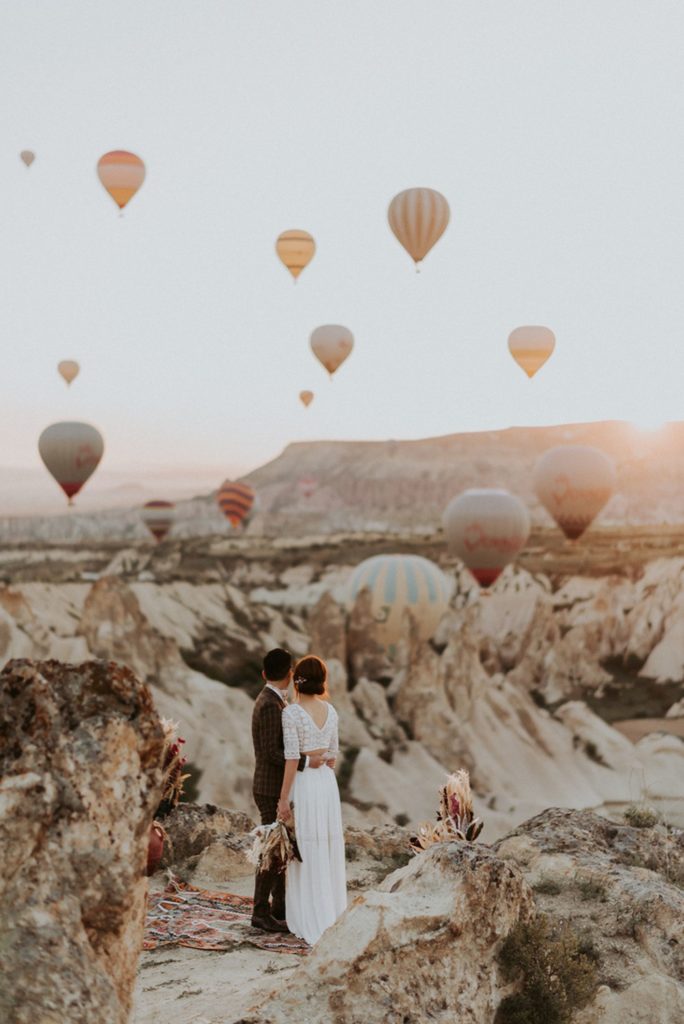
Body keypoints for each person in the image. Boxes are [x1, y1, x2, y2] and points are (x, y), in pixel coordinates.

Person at [251, 648, 325, 932]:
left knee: (279, 849)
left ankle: (279, 907)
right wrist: (306, 760)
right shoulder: (270, 704)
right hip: (270, 786)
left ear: (264, 673)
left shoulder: (271, 699)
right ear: (289, 674)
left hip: (271, 784)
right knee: (271, 849)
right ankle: (260, 911)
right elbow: (272, 752)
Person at [279, 655, 347, 945]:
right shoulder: (331, 712)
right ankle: (332, 910)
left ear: (297, 681)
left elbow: (292, 759)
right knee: (326, 843)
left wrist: (283, 799)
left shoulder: (291, 713)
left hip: (305, 785)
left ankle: (308, 914)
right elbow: (333, 754)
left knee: (305, 846)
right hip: (326, 786)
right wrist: (321, 760)